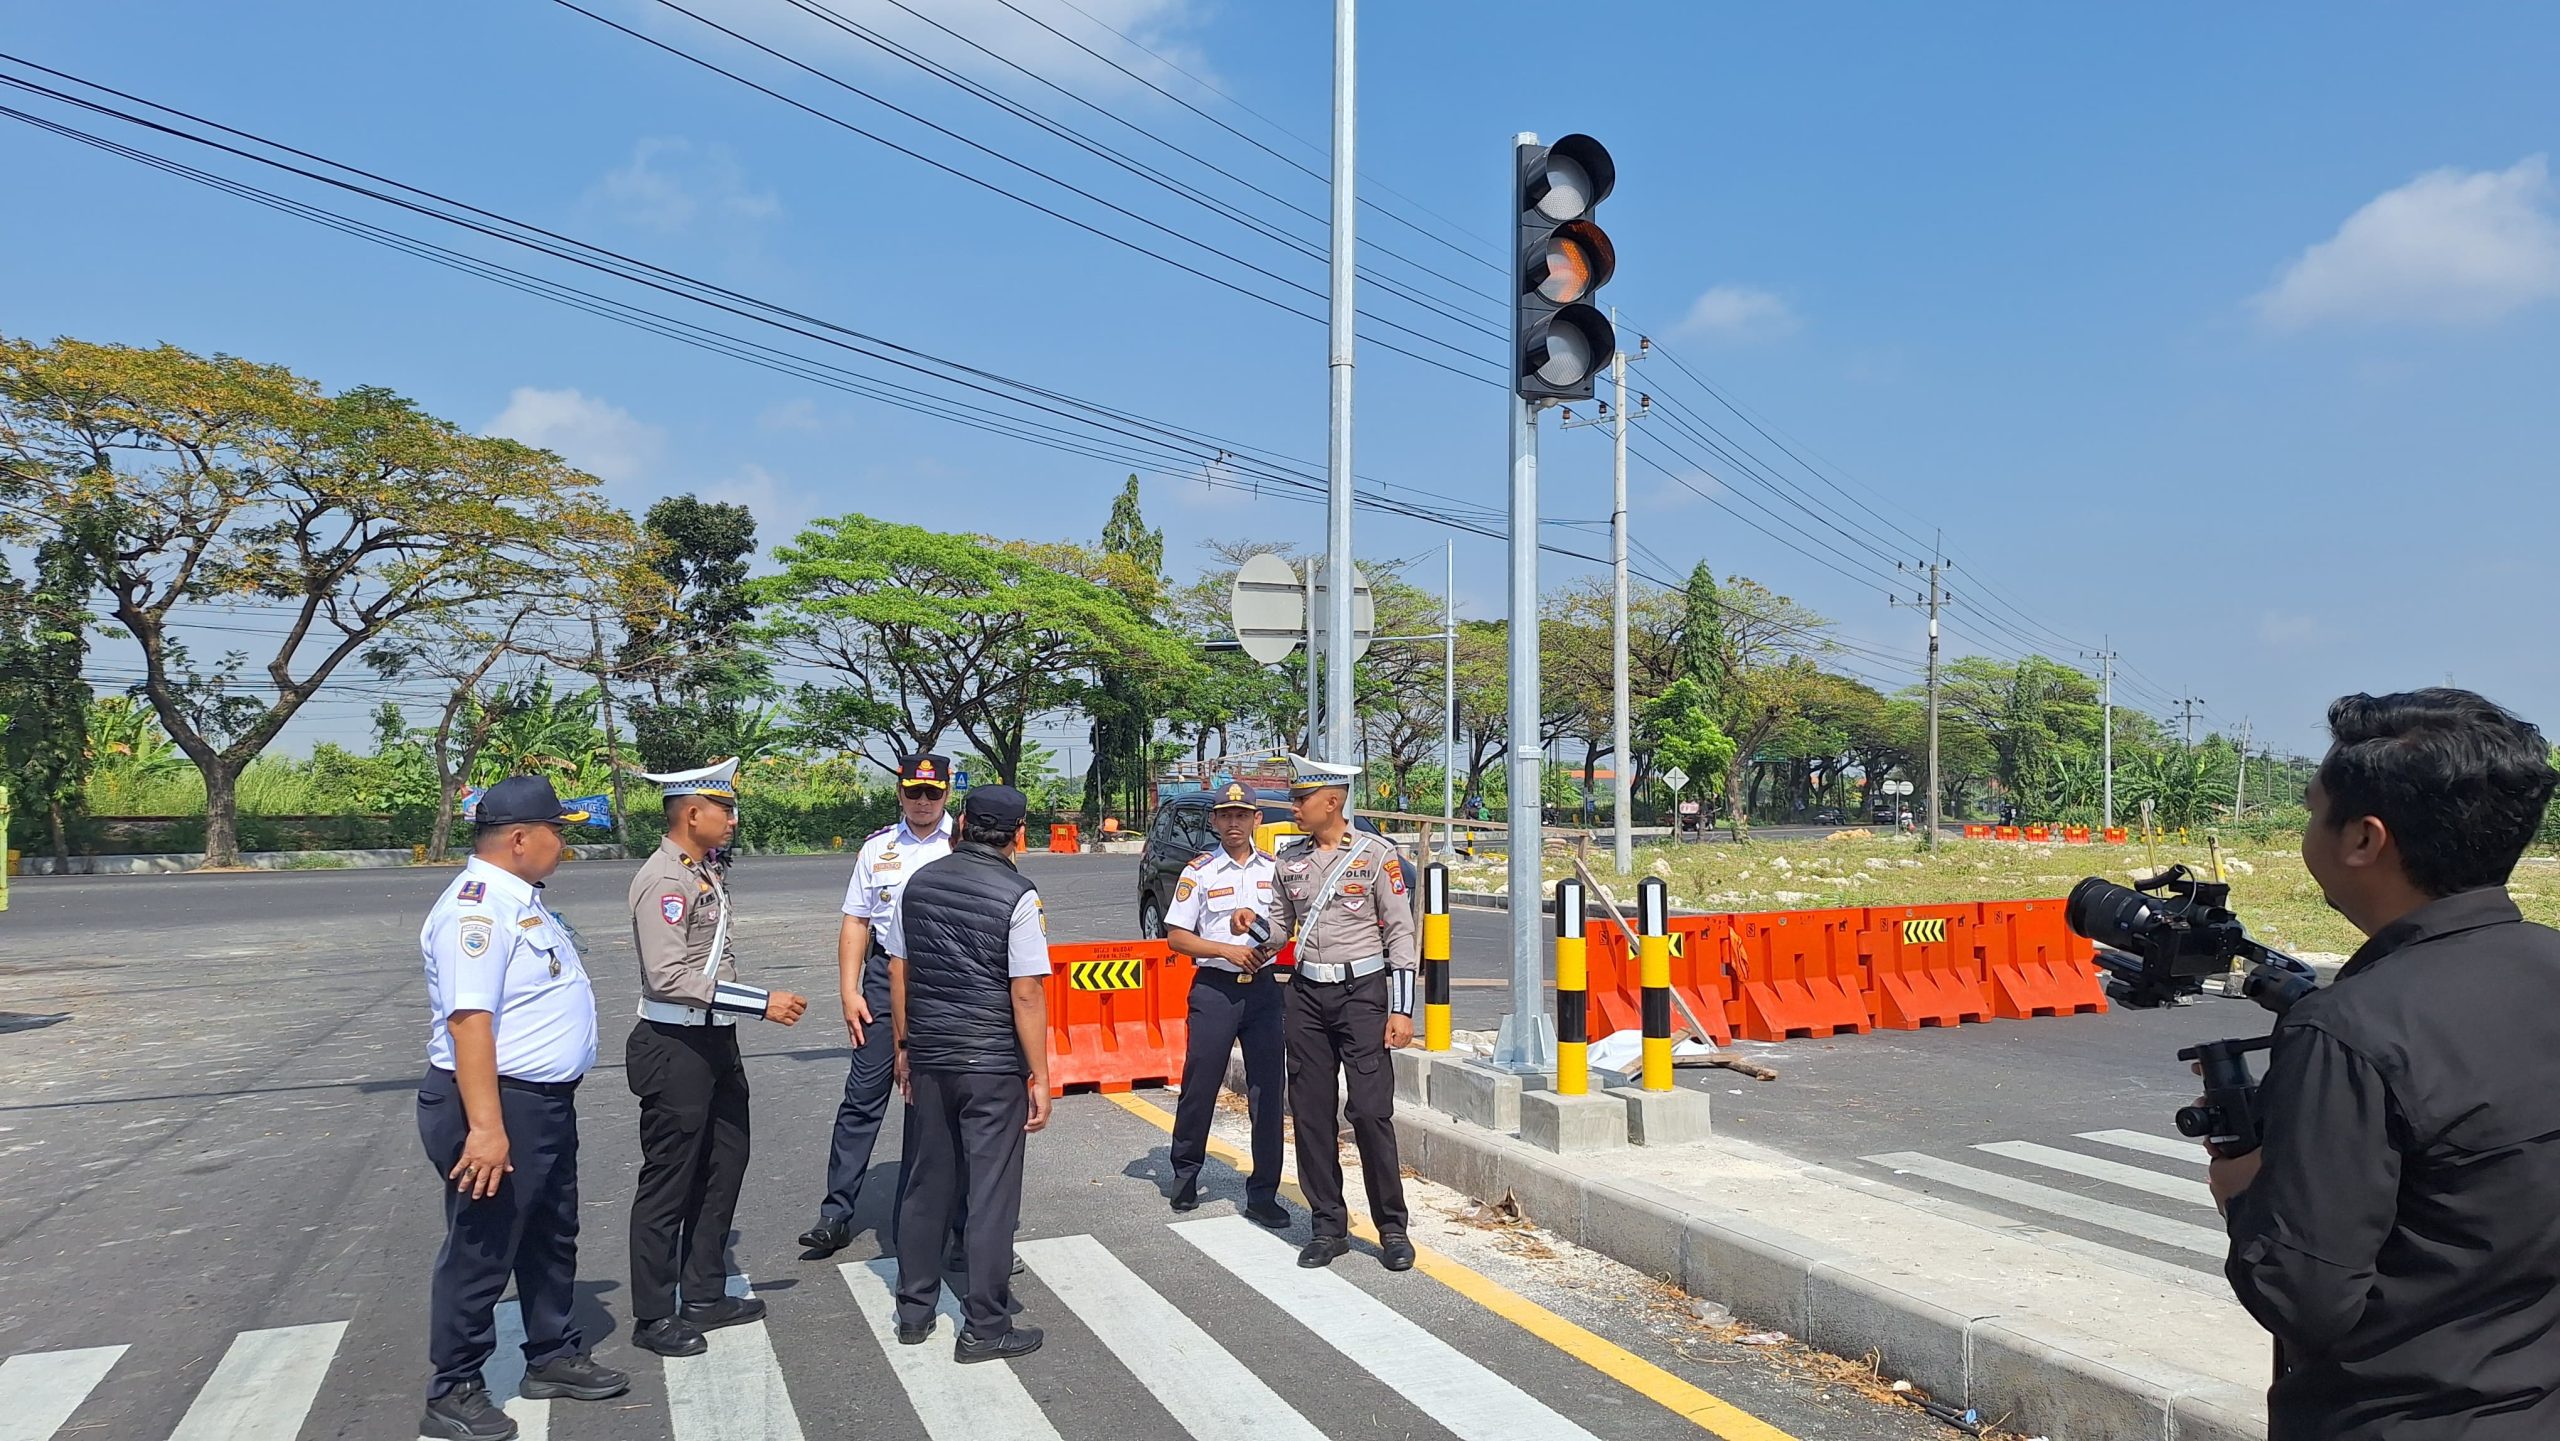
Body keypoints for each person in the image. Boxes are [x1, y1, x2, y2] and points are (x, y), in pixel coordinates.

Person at [2208, 689, 2560, 1440]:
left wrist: (2242, 1192)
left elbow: (2306, 1297)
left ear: (2364, 838)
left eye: (2311, 809)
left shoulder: (2348, 1028)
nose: (2307, 830)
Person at [416, 776, 627, 1441]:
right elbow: (470, 1022)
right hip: (493, 1103)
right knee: (482, 1246)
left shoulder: (519, 900)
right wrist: (486, 1129)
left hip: (538, 1102)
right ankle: (454, 1386)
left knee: (549, 1231)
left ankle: (552, 1352)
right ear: (518, 838)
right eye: (556, 832)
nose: (562, 844)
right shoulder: (475, 911)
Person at [623, 758, 809, 1358]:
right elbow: (667, 975)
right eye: (724, 809)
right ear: (691, 813)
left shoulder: (700, 870)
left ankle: (703, 1291)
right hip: (674, 1044)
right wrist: (762, 1003)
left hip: (713, 1039)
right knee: (668, 1182)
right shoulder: (664, 880)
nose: (732, 818)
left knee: (725, 1162)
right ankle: (654, 1316)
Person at [888, 784, 1052, 1363]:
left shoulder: (918, 884)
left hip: (930, 1057)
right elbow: (1026, 993)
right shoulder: (1018, 895)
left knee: (927, 1183)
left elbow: (899, 972)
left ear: (960, 823)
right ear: (1019, 833)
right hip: (990, 1064)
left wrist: (905, 1045)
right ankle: (985, 1326)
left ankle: (913, 1310)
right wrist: (1041, 1075)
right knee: (989, 1194)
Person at [1263, 756, 1418, 1271]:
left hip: (1364, 994)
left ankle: (1391, 1226)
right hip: (1306, 994)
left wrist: (1401, 1009)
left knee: (1371, 1112)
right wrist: (1249, 930)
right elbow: (1278, 930)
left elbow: (1400, 933)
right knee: (1309, 1112)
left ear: (1331, 802)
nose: (1293, 807)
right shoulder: (1288, 861)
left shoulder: (1377, 856)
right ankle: (1327, 1225)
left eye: (1301, 799)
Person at [800, 754, 955, 1258]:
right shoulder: (878, 848)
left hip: (945, 984)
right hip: (884, 983)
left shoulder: (965, 843)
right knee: (863, 1096)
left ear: (948, 793)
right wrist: (848, 991)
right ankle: (835, 1213)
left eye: (933, 793)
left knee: (935, 1103)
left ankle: (941, 1223)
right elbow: (856, 922)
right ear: (900, 792)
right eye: (914, 792)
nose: (923, 802)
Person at [1160, 781, 1290, 1226]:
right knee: (1201, 1084)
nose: (1233, 823)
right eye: (1225, 815)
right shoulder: (1199, 870)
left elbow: (1289, 926)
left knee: (1268, 1091)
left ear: (1257, 820)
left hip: (1264, 991)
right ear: (1214, 821)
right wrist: (1224, 950)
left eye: (1242, 815)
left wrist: (1265, 946)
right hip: (1215, 991)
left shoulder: (1276, 870)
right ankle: (1185, 1174)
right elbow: (1177, 937)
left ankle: (1263, 1192)